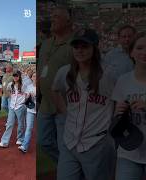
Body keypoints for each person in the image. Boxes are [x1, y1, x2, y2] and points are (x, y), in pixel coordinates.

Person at [52, 29, 116, 180]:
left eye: (85, 46)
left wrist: (112, 123)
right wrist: (65, 111)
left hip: (97, 142)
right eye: (76, 46)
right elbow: (54, 90)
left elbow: (121, 99)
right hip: (70, 140)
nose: (80, 50)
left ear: (95, 48)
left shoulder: (109, 73)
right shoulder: (65, 71)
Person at [38, 6, 74, 163]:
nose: (53, 19)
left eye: (57, 17)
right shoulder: (46, 43)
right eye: (52, 16)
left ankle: (68, 171)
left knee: (64, 144)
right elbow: (40, 70)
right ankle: (65, 167)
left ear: (68, 21)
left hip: (65, 103)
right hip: (45, 103)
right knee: (43, 142)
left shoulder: (75, 43)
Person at [112, 32, 146, 180]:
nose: (144, 52)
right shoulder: (123, 81)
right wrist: (118, 112)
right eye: (139, 48)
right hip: (129, 152)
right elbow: (115, 118)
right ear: (131, 52)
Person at [0, 70, 27, 148]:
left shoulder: (24, 85)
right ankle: (4, 142)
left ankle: (20, 138)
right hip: (12, 106)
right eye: (14, 76)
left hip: (20, 106)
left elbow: (27, 94)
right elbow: (7, 90)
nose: (15, 77)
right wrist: (11, 97)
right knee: (9, 124)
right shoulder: (11, 84)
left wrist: (23, 102)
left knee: (21, 123)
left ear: (19, 76)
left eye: (16, 76)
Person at [19, 72, 36, 153]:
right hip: (30, 110)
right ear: (31, 78)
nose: (35, 78)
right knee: (29, 128)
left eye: (36, 76)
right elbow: (25, 99)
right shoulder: (28, 87)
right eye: (34, 76)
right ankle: (24, 146)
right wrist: (27, 97)